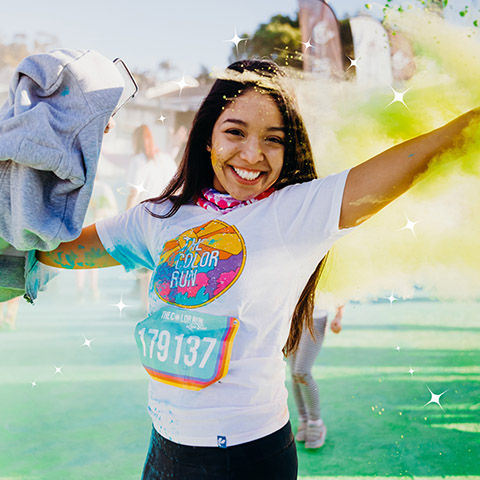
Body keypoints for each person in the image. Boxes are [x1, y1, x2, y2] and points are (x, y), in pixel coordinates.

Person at [36, 58, 479, 479]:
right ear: (207, 137)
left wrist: (469, 123)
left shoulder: (296, 214)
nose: (253, 154)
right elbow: (51, 249)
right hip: (165, 446)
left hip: (246, 457)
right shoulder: (159, 217)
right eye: (235, 132)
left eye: (274, 139)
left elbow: (418, 155)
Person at [125, 125, 177, 311]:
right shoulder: (166, 160)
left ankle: (145, 309)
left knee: (146, 266)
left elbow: (133, 194)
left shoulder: (138, 161)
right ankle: (167, 307)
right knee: (165, 265)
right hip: (169, 217)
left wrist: (125, 223)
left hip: (144, 220)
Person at [289, 304, 343, 449]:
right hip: (291, 317)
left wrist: (338, 315)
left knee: (302, 371)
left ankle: (315, 422)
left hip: (315, 316)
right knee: (294, 373)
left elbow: (339, 284)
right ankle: (304, 420)